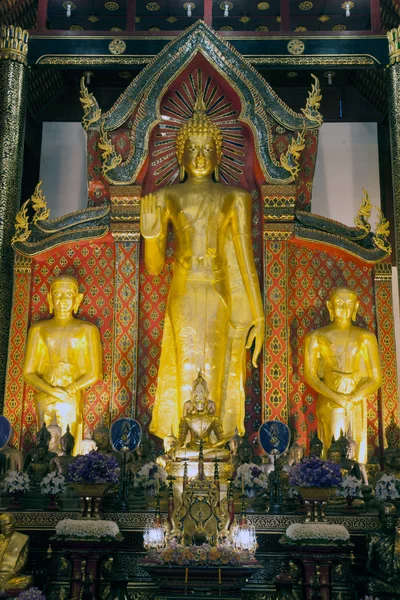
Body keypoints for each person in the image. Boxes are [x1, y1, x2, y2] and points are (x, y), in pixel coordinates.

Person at [140, 94, 264, 442]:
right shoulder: (166, 197)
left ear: (218, 153)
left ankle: (217, 439)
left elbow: (244, 258)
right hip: (183, 289)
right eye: (192, 147)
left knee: (215, 361)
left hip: (219, 289)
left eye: (207, 147)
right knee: (184, 363)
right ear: (179, 153)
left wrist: (259, 314)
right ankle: (179, 440)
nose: (199, 155)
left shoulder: (235, 198)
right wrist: (151, 236)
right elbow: (153, 268)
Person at [23, 275, 103, 454]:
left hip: (71, 397)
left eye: (68, 295)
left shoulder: (87, 330)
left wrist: (69, 389)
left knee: (68, 445)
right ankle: (43, 479)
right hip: (46, 396)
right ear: (50, 298)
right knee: (45, 445)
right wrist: (52, 391)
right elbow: (28, 372)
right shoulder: (38, 329)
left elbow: (94, 373)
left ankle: (67, 477)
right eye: (58, 295)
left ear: (78, 299)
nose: (63, 300)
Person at [304, 286, 382, 464]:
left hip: (356, 401)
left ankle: (359, 485)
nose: (345, 308)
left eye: (349, 304)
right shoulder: (315, 337)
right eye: (339, 303)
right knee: (333, 447)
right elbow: (311, 376)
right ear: (329, 306)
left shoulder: (365, 337)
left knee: (356, 449)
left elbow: (376, 378)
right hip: (330, 400)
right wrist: (337, 397)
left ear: (356, 307)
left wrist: (353, 397)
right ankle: (329, 485)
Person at [366, 502, 400, 597]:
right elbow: (368, 567)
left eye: (393, 517)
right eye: (386, 516)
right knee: (370, 585)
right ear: (380, 518)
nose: (390, 520)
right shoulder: (373, 537)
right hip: (383, 581)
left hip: (398, 580)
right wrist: (386, 578)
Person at [0, 514, 32, 591]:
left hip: (11, 576)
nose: (5, 527)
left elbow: (22, 562)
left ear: (14, 524)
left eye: (8, 524)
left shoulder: (22, 539)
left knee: (27, 580)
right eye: (2, 525)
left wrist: (9, 576)